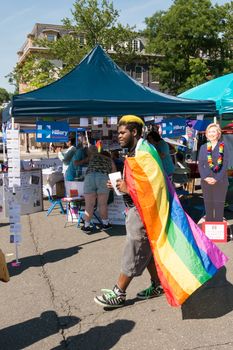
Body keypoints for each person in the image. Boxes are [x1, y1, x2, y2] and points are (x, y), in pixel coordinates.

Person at [94, 115, 163, 309]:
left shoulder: (145, 152)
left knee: (134, 247)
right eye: (118, 133)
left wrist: (128, 188)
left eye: (123, 132)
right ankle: (158, 284)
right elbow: (139, 179)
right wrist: (119, 184)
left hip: (143, 209)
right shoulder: (135, 150)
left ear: (134, 132)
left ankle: (119, 292)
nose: (119, 136)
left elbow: (154, 185)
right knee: (145, 249)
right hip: (136, 207)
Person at [198, 123, 229, 222]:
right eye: (209, 132)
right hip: (206, 181)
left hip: (220, 181)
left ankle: (218, 234)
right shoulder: (203, 147)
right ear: (206, 134)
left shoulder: (223, 147)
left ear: (218, 134)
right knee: (208, 207)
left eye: (214, 131)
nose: (211, 134)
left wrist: (216, 178)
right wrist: (205, 177)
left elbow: (225, 165)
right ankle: (209, 234)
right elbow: (200, 164)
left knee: (219, 207)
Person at [82, 145, 116, 232]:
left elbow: (79, 162)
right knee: (102, 204)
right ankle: (105, 224)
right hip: (103, 178)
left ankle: (86, 226)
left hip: (89, 177)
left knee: (89, 204)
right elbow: (114, 174)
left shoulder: (94, 156)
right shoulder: (110, 160)